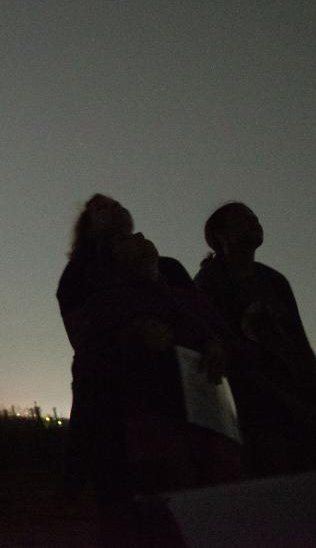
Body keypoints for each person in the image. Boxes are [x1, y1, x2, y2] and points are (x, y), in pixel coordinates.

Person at [75, 232, 241, 545]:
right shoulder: (105, 303)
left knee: (219, 514)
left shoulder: (187, 297)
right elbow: (89, 366)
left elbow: (228, 340)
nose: (139, 235)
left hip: (210, 424)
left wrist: (216, 345)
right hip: (153, 423)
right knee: (170, 518)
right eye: (127, 238)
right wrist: (129, 338)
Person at [194, 202, 316, 476]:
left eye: (255, 216)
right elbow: (214, 340)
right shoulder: (210, 280)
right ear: (220, 236)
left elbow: (299, 341)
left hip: (297, 395)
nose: (254, 221)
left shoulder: (275, 281)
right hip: (254, 406)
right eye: (243, 217)